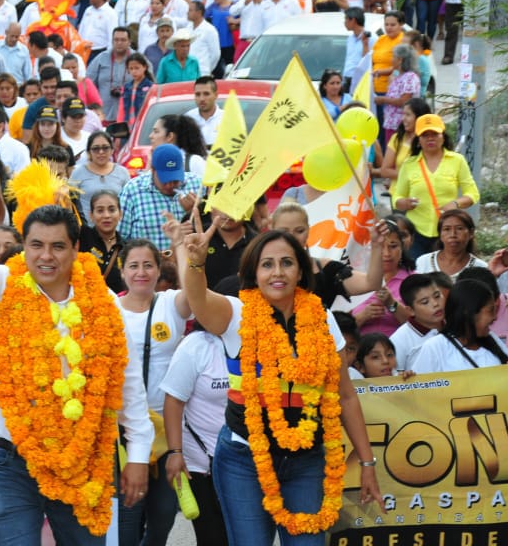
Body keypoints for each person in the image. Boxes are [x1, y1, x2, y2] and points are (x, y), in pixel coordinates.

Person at [0, 157, 154, 543]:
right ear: (23, 248)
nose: (46, 256)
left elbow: (128, 384)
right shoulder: (0, 289)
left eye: (57, 246)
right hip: (8, 460)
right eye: (36, 245)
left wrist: (140, 455)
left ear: (76, 248)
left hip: (84, 457)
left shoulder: (105, 305)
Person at [177, 218, 381, 546]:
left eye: (287, 263)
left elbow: (345, 397)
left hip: (308, 460)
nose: (277, 272)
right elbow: (198, 298)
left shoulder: (323, 318)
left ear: (301, 272)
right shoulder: (236, 315)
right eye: (267, 264)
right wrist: (197, 262)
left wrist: (367, 461)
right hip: (244, 460)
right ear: (254, 274)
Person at [116, 238, 192, 545]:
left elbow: (196, 293)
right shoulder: (109, 309)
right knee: (128, 515)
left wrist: (183, 249)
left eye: (148, 265)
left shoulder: (170, 303)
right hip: (125, 430)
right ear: (122, 272)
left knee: (163, 515)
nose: (141, 272)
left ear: (159, 270)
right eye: (133, 266)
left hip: (167, 430)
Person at [159, 325, 231, 544]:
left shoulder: (253, 339)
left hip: (245, 462)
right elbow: (173, 401)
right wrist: (175, 452)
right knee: (212, 537)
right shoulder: (196, 346)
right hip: (202, 465)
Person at [391, 114, 479, 259]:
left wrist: (455, 204)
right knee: (417, 275)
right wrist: (404, 203)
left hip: (446, 232)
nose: (430, 138)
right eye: (425, 135)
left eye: (435, 134)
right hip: (416, 232)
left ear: (443, 137)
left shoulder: (457, 161)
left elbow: (473, 194)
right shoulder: (409, 164)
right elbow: (397, 196)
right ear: (418, 140)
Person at [270, 202, 387, 309]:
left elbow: (371, 283)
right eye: (284, 232)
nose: (292, 237)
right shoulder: (259, 270)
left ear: (308, 231)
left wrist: (377, 245)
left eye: (299, 231)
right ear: (272, 231)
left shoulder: (326, 269)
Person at [408, 279, 508, 374]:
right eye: (490, 310)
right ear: (469, 312)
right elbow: (419, 391)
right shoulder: (435, 347)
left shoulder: (491, 338)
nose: (494, 317)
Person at [119, 144, 201, 249]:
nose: (170, 185)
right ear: (153, 170)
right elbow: (120, 237)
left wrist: (195, 211)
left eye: (175, 180)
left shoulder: (197, 185)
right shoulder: (132, 190)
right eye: (164, 180)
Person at [348, 218, 415, 336]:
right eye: (380, 247)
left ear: (402, 247)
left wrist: (391, 303)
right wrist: (362, 316)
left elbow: (420, 323)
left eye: (393, 246)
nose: (387, 254)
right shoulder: (353, 279)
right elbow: (339, 328)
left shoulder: (414, 280)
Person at [389, 273, 446, 371]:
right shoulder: (399, 340)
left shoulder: (456, 326)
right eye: (425, 302)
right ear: (410, 310)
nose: (435, 304)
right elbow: (395, 379)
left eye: (437, 296)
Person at [70, 132, 131, 224]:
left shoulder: (122, 172)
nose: (101, 152)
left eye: (105, 148)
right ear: (89, 152)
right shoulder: (78, 173)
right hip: (87, 230)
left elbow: (128, 203)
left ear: (112, 150)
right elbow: (70, 203)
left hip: (116, 229)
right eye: (96, 148)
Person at [414, 209, 487, 279]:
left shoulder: (481, 268)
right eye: (447, 229)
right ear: (440, 234)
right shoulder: (423, 262)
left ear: (471, 233)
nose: (453, 234)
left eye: (459, 228)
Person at [77, 190, 127, 293]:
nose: (106, 215)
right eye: (100, 211)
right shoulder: (82, 236)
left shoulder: (127, 248)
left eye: (112, 210)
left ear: (120, 214)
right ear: (91, 215)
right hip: (83, 304)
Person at [373, 97, 430, 183]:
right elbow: (385, 170)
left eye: (408, 115)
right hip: (398, 193)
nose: (403, 119)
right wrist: (413, 176)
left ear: (420, 117)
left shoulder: (430, 140)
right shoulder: (397, 139)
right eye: (403, 114)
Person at [375, 44, 420, 144]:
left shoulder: (410, 78)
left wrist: (383, 100)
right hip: (392, 124)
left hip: (401, 125)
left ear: (400, 60)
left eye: (393, 57)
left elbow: (405, 101)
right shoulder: (400, 76)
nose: (391, 60)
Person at [87, 27, 133, 119]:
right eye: (116, 40)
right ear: (112, 41)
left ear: (129, 42)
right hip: (104, 115)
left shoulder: (137, 59)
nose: (119, 43)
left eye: (123, 40)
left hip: (130, 116)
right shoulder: (100, 59)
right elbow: (88, 85)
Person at [370, 11, 405, 128]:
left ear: (401, 25)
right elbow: (371, 59)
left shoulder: (402, 41)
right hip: (375, 87)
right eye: (386, 24)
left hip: (390, 90)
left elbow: (400, 66)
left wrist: (381, 72)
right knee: (375, 124)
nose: (388, 28)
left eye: (392, 25)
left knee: (387, 125)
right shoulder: (381, 39)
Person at [149, 114, 206, 178]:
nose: (150, 136)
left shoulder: (194, 162)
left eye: (156, 132)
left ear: (170, 136)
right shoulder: (154, 161)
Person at [117, 53, 154, 128]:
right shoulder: (126, 88)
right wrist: (120, 127)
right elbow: (121, 110)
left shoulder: (151, 87)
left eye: (137, 68)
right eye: (131, 68)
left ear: (145, 67)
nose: (134, 71)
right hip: (128, 127)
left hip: (144, 126)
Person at [186, 1, 221, 77]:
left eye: (190, 10)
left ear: (199, 12)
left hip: (202, 72)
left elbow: (215, 54)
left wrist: (207, 69)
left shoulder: (210, 30)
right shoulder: (188, 28)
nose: (187, 13)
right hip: (187, 71)